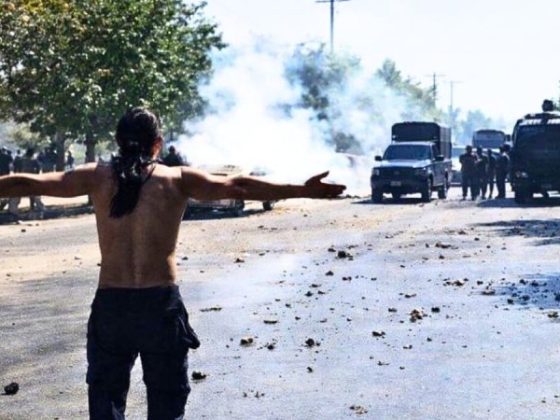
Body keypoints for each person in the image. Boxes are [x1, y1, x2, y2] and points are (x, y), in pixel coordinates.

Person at [0, 107, 346, 419]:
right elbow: (238, 187)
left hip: (113, 305)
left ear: (118, 141)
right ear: (158, 144)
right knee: (167, 403)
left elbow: (27, 182)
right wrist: (303, 190)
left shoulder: (95, 177)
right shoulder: (177, 179)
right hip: (160, 306)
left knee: (106, 402)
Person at [8, 148, 45, 215]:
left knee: (18, 194)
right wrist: (36, 174)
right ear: (32, 154)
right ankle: (33, 207)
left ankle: (13, 209)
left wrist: (18, 173)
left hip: (23, 177)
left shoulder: (21, 160)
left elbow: (15, 167)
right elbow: (38, 168)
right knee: (33, 194)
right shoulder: (34, 160)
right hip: (31, 177)